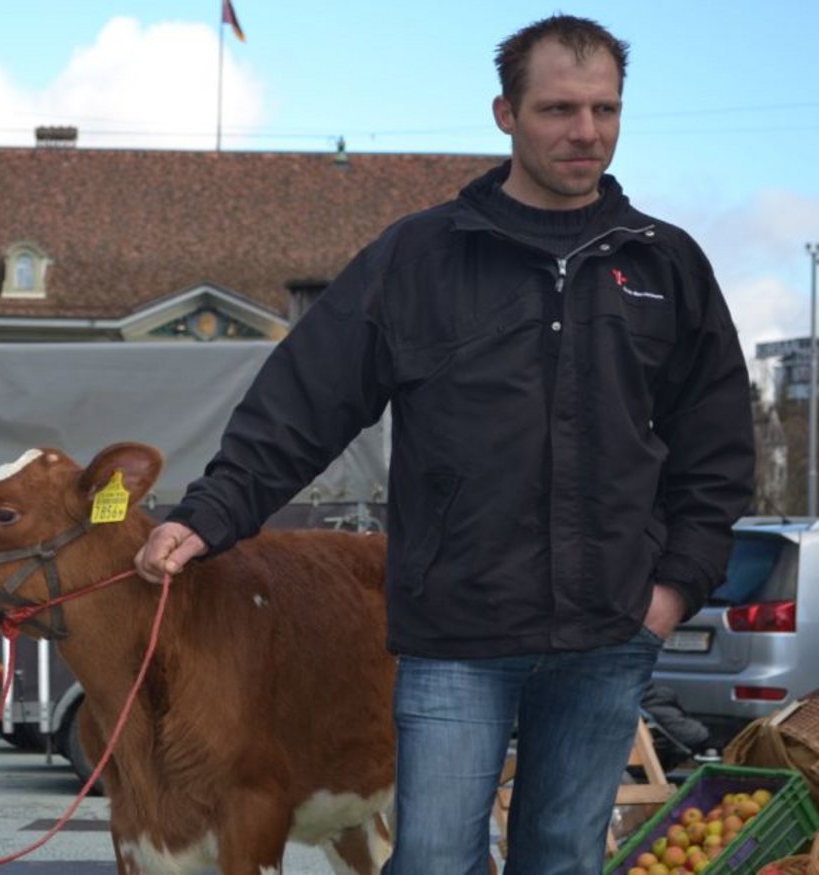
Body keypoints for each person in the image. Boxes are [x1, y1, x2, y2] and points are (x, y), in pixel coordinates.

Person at [136, 14, 754, 875]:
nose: (586, 132)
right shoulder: (419, 258)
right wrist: (209, 515)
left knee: (562, 856)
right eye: (559, 109)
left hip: (609, 628)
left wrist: (673, 587)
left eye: (605, 109)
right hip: (456, 633)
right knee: (430, 857)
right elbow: (306, 400)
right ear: (505, 113)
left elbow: (718, 446)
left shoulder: (664, 265)